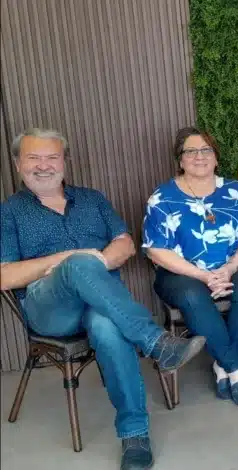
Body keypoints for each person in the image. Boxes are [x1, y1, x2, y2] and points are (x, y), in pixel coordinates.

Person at [0, 128, 206, 470]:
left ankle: (134, 435)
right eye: (33, 158)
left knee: (108, 327)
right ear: (18, 163)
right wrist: (70, 261)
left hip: (103, 305)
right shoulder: (8, 212)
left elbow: (125, 244)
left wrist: (90, 267)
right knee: (77, 263)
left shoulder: (92, 199)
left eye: (52, 157)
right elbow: (5, 275)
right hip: (50, 309)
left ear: (64, 162)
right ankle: (156, 342)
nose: (43, 166)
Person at [142, 127, 238, 407]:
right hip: (180, 274)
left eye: (206, 150)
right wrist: (202, 275)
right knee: (192, 296)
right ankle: (235, 368)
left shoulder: (236, 191)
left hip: (231, 266)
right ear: (180, 159)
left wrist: (230, 268)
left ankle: (222, 363)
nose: (199, 156)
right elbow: (155, 250)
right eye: (191, 151)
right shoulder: (162, 197)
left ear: (216, 157)